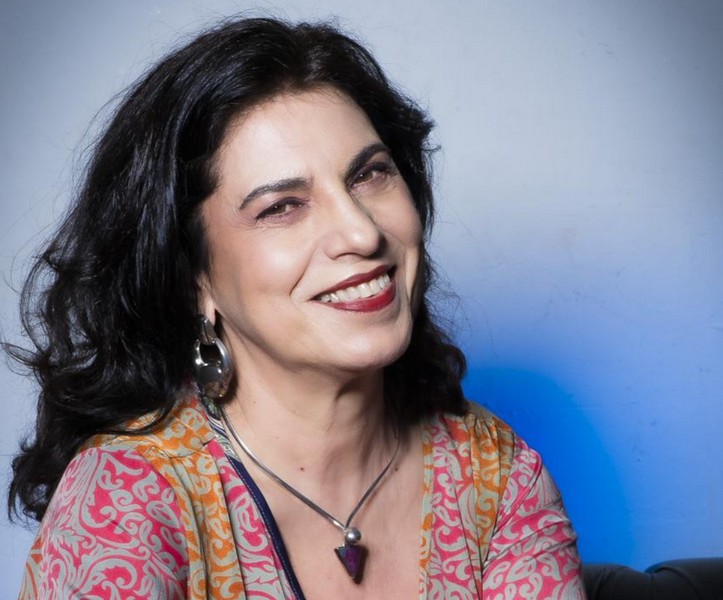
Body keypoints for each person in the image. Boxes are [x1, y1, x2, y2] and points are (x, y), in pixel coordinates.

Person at [8, 17, 585, 599]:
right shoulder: (125, 498)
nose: (361, 233)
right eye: (282, 206)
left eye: (370, 174)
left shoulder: (496, 475)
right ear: (193, 277)